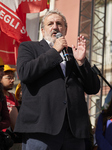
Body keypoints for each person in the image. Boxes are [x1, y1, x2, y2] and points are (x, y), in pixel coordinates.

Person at [14, 10, 100, 150]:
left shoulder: (74, 54)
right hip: (41, 128)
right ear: (42, 30)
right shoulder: (29, 47)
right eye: (50, 24)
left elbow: (93, 88)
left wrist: (82, 62)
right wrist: (54, 51)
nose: (55, 27)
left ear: (65, 29)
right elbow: (25, 73)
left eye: (59, 24)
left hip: (73, 132)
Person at [0, 57, 14, 150]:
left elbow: (7, 120)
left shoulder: (1, 94)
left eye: (1, 70)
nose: (1, 73)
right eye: (8, 77)